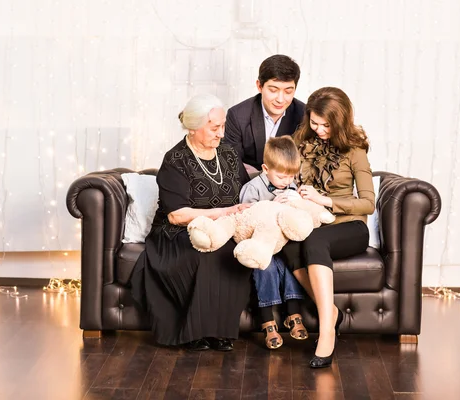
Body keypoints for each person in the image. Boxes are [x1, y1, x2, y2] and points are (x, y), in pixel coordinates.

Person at [130, 94, 253, 352]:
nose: (221, 133)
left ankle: (219, 331)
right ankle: (196, 332)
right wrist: (225, 211)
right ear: (194, 127)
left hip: (224, 227)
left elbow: (247, 191)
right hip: (177, 233)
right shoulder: (176, 160)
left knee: (232, 252)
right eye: (214, 127)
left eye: (223, 126)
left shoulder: (229, 154)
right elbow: (176, 215)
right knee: (205, 250)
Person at [284, 87, 375, 368]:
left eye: (326, 125)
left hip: (349, 228)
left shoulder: (355, 150)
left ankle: (326, 332)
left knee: (314, 242)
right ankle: (333, 313)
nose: (320, 130)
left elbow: (368, 203)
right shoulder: (301, 142)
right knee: (288, 243)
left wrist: (325, 200)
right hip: (310, 222)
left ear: (341, 121)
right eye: (315, 123)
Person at [239, 136, 308, 349]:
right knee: (266, 268)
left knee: (292, 265)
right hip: (261, 245)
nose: (287, 181)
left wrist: (299, 202)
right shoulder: (252, 188)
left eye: (291, 176)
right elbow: (245, 220)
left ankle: (294, 314)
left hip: (285, 244)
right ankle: (268, 321)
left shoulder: (291, 186)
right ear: (265, 168)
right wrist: (271, 206)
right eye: (281, 176)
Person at [224, 54, 305, 174]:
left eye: (288, 91)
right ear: (259, 86)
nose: (280, 99)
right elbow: (232, 163)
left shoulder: (304, 115)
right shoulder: (237, 115)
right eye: (273, 90)